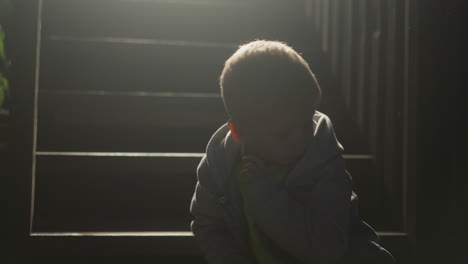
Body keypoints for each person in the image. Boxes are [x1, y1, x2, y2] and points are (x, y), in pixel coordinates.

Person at [189, 40, 394, 264]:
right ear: (239, 133)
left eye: (306, 123)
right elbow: (207, 223)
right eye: (284, 134)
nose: (301, 138)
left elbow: (326, 250)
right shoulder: (220, 165)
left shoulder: (325, 164)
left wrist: (266, 196)